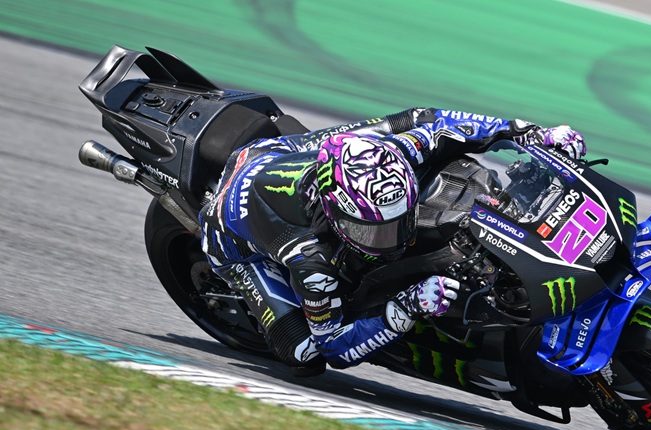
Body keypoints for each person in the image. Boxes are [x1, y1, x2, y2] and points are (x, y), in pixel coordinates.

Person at [198, 107, 586, 377]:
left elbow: (445, 123)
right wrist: (406, 307)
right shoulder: (310, 260)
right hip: (230, 233)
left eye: (399, 223)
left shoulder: (395, 154)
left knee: (415, 120)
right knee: (304, 355)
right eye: (374, 231)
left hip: (285, 153)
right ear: (337, 215)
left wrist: (532, 132)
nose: (392, 241)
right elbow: (335, 348)